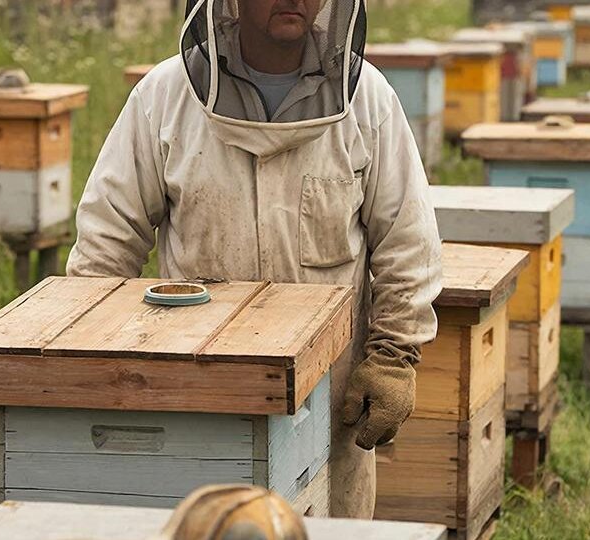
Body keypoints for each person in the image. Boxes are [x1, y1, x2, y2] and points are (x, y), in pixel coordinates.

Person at [66, 0, 442, 519]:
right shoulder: (165, 97)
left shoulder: (367, 100)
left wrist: (394, 357)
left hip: (327, 399)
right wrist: (92, 362)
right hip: (194, 392)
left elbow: (407, 241)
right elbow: (107, 240)